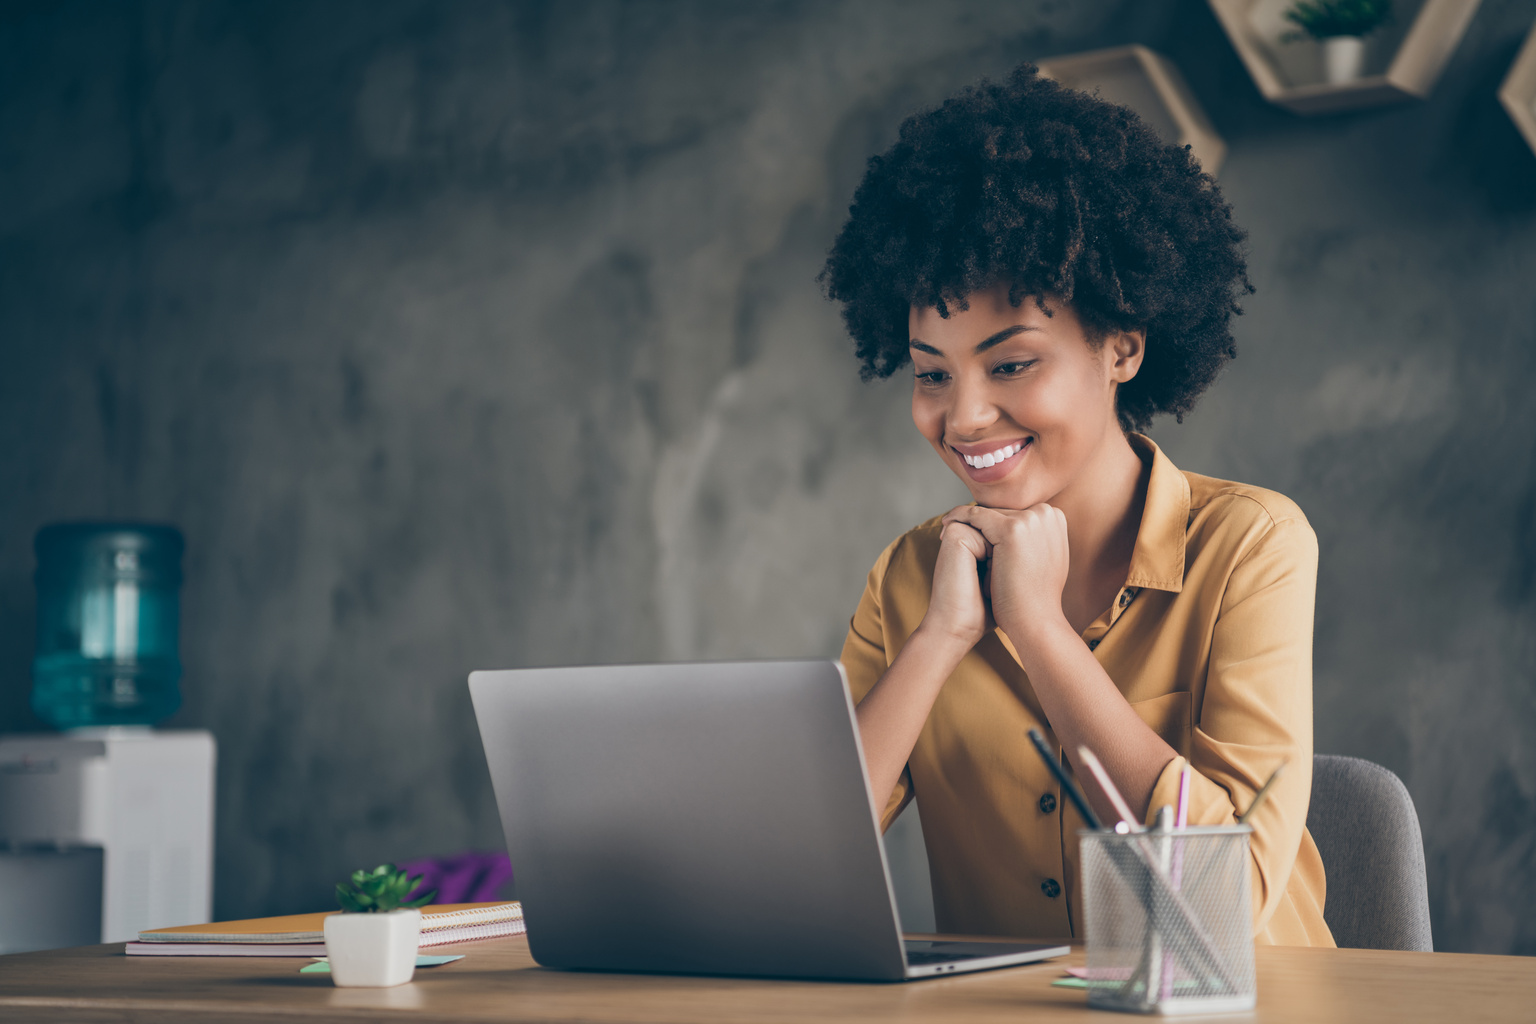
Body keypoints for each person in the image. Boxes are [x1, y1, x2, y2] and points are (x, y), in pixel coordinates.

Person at [820, 65, 1333, 946]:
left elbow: (1224, 902)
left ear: (1122, 348)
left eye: (1011, 363)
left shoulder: (1253, 545)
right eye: (932, 374)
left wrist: (1042, 632)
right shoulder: (912, 578)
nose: (964, 414)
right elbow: (806, 865)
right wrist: (942, 638)